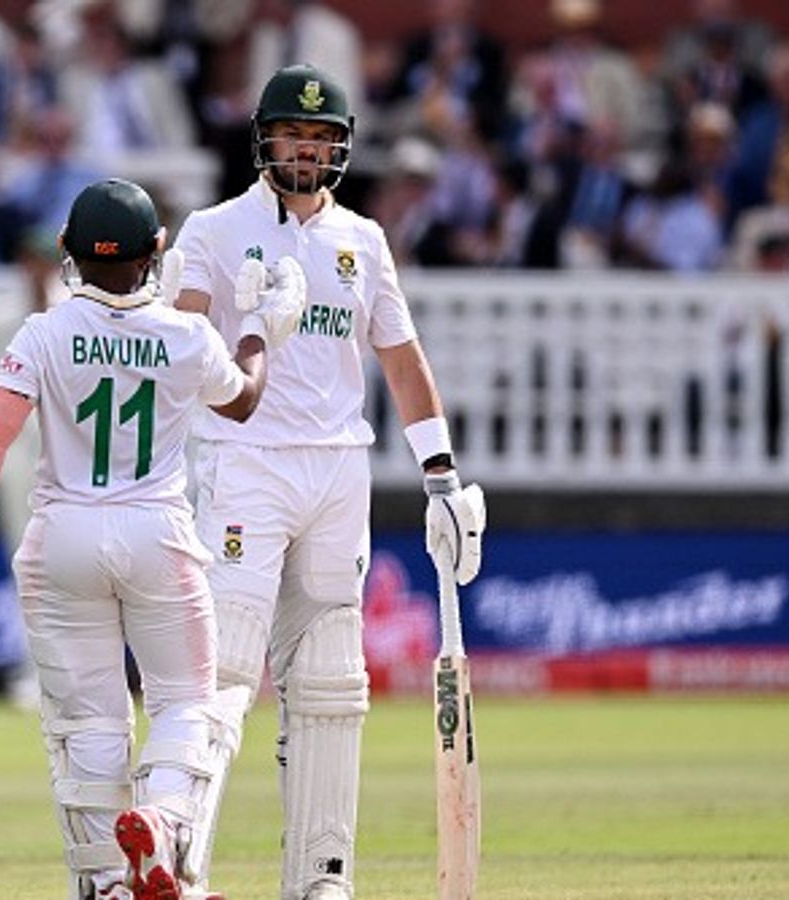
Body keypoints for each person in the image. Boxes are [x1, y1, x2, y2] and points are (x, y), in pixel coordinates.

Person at [0, 177, 304, 900]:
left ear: (67, 250)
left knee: (87, 724)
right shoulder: (186, 334)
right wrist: (259, 330)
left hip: (61, 536)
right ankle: (162, 821)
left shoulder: (43, 331)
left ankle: (107, 883)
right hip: (157, 534)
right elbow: (244, 401)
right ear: (157, 250)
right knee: (184, 703)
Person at [171, 64, 486, 899]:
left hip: (339, 470)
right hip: (244, 462)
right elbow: (172, 346)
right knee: (226, 665)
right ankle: (176, 854)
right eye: (292, 135)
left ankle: (320, 876)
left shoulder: (364, 240)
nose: (306, 151)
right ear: (264, 142)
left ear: (340, 148)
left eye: (320, 138)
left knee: (332, 683)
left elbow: (401, 358)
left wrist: (442, 474)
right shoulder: (214, 230)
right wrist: (233, 326)